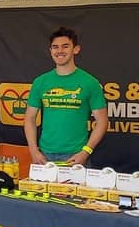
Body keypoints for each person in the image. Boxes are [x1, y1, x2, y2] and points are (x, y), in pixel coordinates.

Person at [24, 26, 108, 166]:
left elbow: (102, 121)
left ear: (76, 49)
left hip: (76, 156)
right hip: (44, 156)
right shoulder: (40, 82)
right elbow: (29, 118)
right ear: (50, 51)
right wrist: (33, 150)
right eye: (55, 47)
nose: (60, 51)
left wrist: (85, 152)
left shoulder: (90, 83)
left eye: (65, 46)